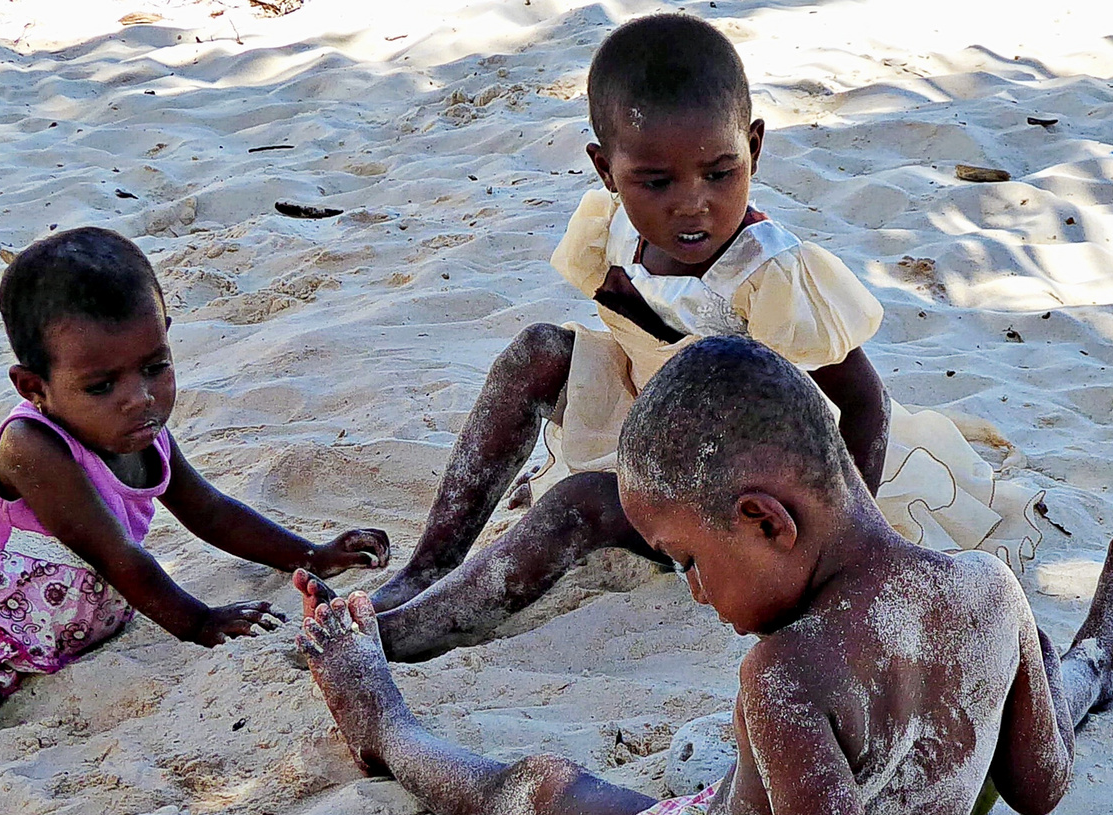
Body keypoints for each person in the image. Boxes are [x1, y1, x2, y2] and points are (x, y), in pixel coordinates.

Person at [292, 337, 1113, 815]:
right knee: (948, 748)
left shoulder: (786, 676)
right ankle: (1093, 662)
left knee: (539, 790)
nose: (696, 590)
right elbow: (1039, 783)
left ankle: (386, 728)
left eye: (688, 560)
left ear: (765, 521)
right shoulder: (992, 589)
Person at [360, 13, 1040, 662]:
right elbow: (650, 337)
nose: (693, 203)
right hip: (648, 414)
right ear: (605, 171)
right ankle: (429, 567)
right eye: (655, 182)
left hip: (734, 478)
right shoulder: (611, 227)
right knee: (538, 349)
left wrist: (834, 556)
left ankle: (411, 634)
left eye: (720, 172)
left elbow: (862, 403)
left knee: (578, 504)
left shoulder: (765, 272)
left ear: (755, 147)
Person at [0, 227, 389, 737]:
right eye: (102, 386)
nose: (140, 399)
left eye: (156, 367)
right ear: (33, 388)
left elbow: (210, 509)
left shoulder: (138, 428)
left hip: (27, 565)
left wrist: (310, 554)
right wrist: (201, 623)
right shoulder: (33, 447)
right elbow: (119, 558)